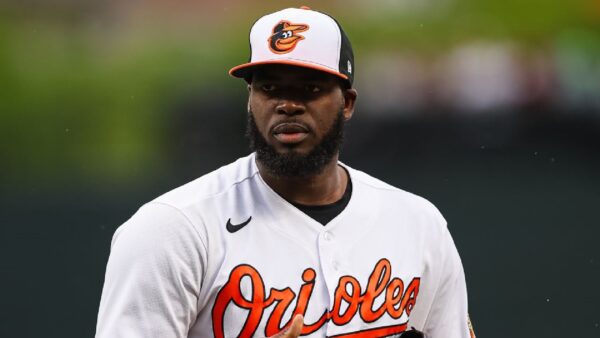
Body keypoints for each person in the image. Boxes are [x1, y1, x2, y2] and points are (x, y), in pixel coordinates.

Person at [96, 6, 474, 338]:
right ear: (250, 100)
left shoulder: (418, 225)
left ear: (348, 103)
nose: (287, 104)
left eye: (309, 88)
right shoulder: (173, 230)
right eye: (270, 88)